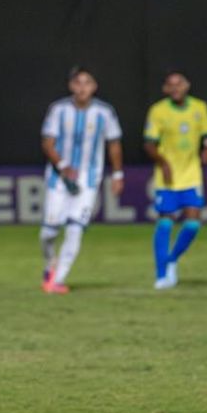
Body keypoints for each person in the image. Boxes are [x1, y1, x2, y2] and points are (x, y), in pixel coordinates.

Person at [38, 66, 124, 294]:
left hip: (88, 180)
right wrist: (63, 166)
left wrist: (117, 174)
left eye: (87, 83)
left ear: (94, 87)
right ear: (71, 86)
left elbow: (114, 144)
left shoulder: (105, 112)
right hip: (58, 179)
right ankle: (50, 262)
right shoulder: (58, 110)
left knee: (75, 228)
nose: (82, 88)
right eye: (78, 83)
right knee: (48, 233)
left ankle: (58, 280)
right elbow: (47, 143)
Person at [144, 70, 207, 289]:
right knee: (165, 221)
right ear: (165, 89)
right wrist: (163, 163)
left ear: (187, 85)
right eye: (171, 84)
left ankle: (172, 259)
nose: (175, 88)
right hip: (167, 177)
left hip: (191, 174)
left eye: (179, 83)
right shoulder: (158, 111)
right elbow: (149, 144)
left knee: (193, 223)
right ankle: (161, 275)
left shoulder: (199, 107)